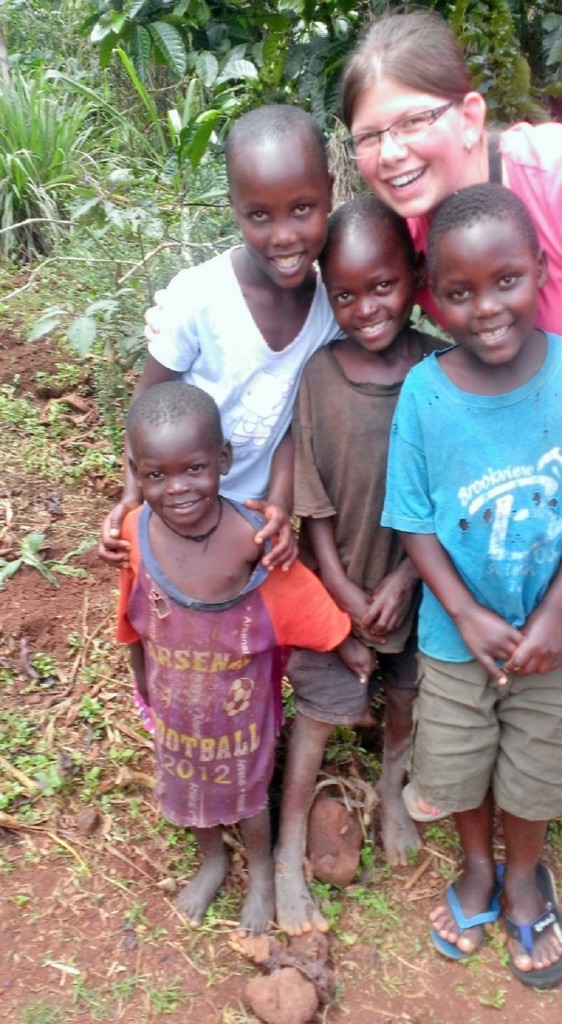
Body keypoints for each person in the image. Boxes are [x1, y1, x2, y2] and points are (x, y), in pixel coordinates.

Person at [101, 103, 337, 728]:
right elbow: (147, 405)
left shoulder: (330, 309)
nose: (283, 235)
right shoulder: (199, 298)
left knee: (250, 618)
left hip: (250, 509)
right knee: (163, 611)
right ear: (233, 208)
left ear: (330, 192)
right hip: (180, 498)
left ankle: (251, 710)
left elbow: (296, 423)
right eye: (260, 215)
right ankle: (157, 701)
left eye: (302, 209)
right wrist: (131, 499)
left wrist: (279, 505)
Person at [381, 183, 562, 989]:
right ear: (433, 296)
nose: (486, 308)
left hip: (551, 638)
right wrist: (463, 611)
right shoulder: (425, 394)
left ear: (541, 269)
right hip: (456, 641)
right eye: (460, 292)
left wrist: (554, 614)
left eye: (507, 280)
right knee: (456, 762)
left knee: (537, 765)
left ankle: (522, 873)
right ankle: (478, 868)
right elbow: (412, 519)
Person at [116, 381, 373, 935]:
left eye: (194, 469)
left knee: (248, 792)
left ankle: (259, 870)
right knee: (186, 785)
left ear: (224, 461)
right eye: (157, 475)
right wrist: (142, 682)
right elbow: (132, 613)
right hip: (174, 708)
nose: (177, 488)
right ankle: (212, 859)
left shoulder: (250, 537)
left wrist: (343, 641)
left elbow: (297, 597)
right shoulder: (134, 535)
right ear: (136, 473)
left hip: (240, 713)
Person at [274, 195, 445, 935]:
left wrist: (408, 578)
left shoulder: (440, 367)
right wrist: (342, 592)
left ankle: (393, 787)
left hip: (420, 584)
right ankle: (287, 850)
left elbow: (448, 492)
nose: (367, 308)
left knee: (405, 693)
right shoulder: (319, 376)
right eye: (345, 295)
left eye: (383, 286)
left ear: (416, 275)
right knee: (317, 715)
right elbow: (311, 501)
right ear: (326, 293)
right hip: (334, 585)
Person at [341, 8, 562, 334]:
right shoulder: (397, 246)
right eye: (368, 137)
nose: (389, 154)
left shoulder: (551, 174)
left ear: (470, 119)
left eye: (413, 122)